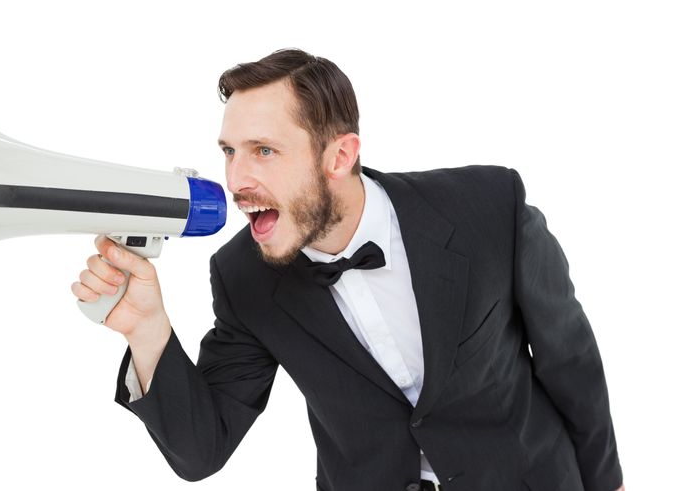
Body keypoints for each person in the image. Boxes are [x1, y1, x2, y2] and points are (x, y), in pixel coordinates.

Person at [71, 49, 624, 491]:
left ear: (339, 156)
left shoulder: (488, 206)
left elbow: (569, 361)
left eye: (263, 150)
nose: (236, 180)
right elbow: (202, 451)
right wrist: (147, 330)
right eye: (229, 151)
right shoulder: (242, 276)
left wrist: (608, 484)